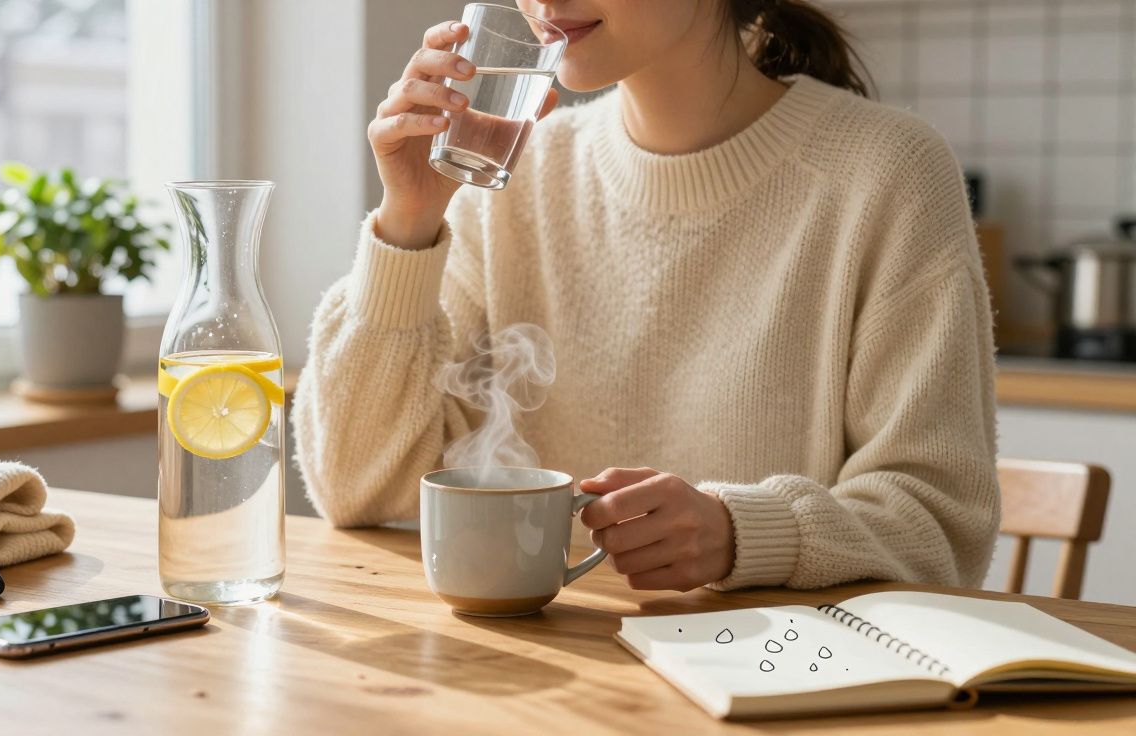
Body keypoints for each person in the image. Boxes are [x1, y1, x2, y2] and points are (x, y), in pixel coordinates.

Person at [293, 0, 999, 593]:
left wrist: (741, 534)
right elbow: (358, 488)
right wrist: (408, 222)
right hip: (543, 683)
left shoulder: (888, 173)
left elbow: (939, 524)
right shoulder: (516, 177)